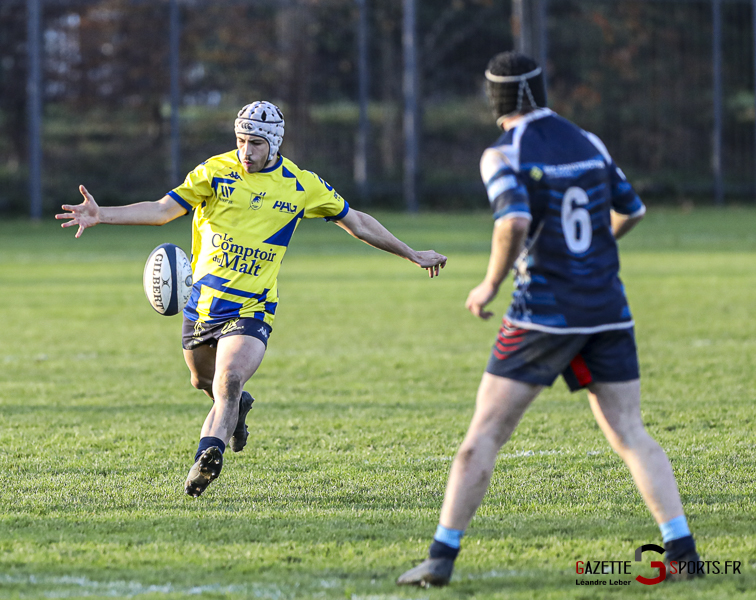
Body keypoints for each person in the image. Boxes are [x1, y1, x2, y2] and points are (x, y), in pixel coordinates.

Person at [396, 52, 699, 587]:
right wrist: (592, 251)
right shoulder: (589, 140)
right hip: (607, 308)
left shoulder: (504, 152)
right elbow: (633, 210)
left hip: (545, 313)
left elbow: (512, 220)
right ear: (541, 89)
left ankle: (440, 559)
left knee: (484, 434)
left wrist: (489, 284)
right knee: (630, 431)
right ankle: (681, 549)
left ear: (496, 99)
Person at [57, 101, 447, 498]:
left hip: (253, 307)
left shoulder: (301, 185)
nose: (247, 151)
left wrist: (410, 253)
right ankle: (237, 408)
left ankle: (207, 457)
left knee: (228, 379)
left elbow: (358, 221)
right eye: (242, 141)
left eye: (256, 143)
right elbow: (161, 211)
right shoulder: (215, 171)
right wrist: (101, 214)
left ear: (274, 144)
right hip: (203, 305)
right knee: (203, 382)